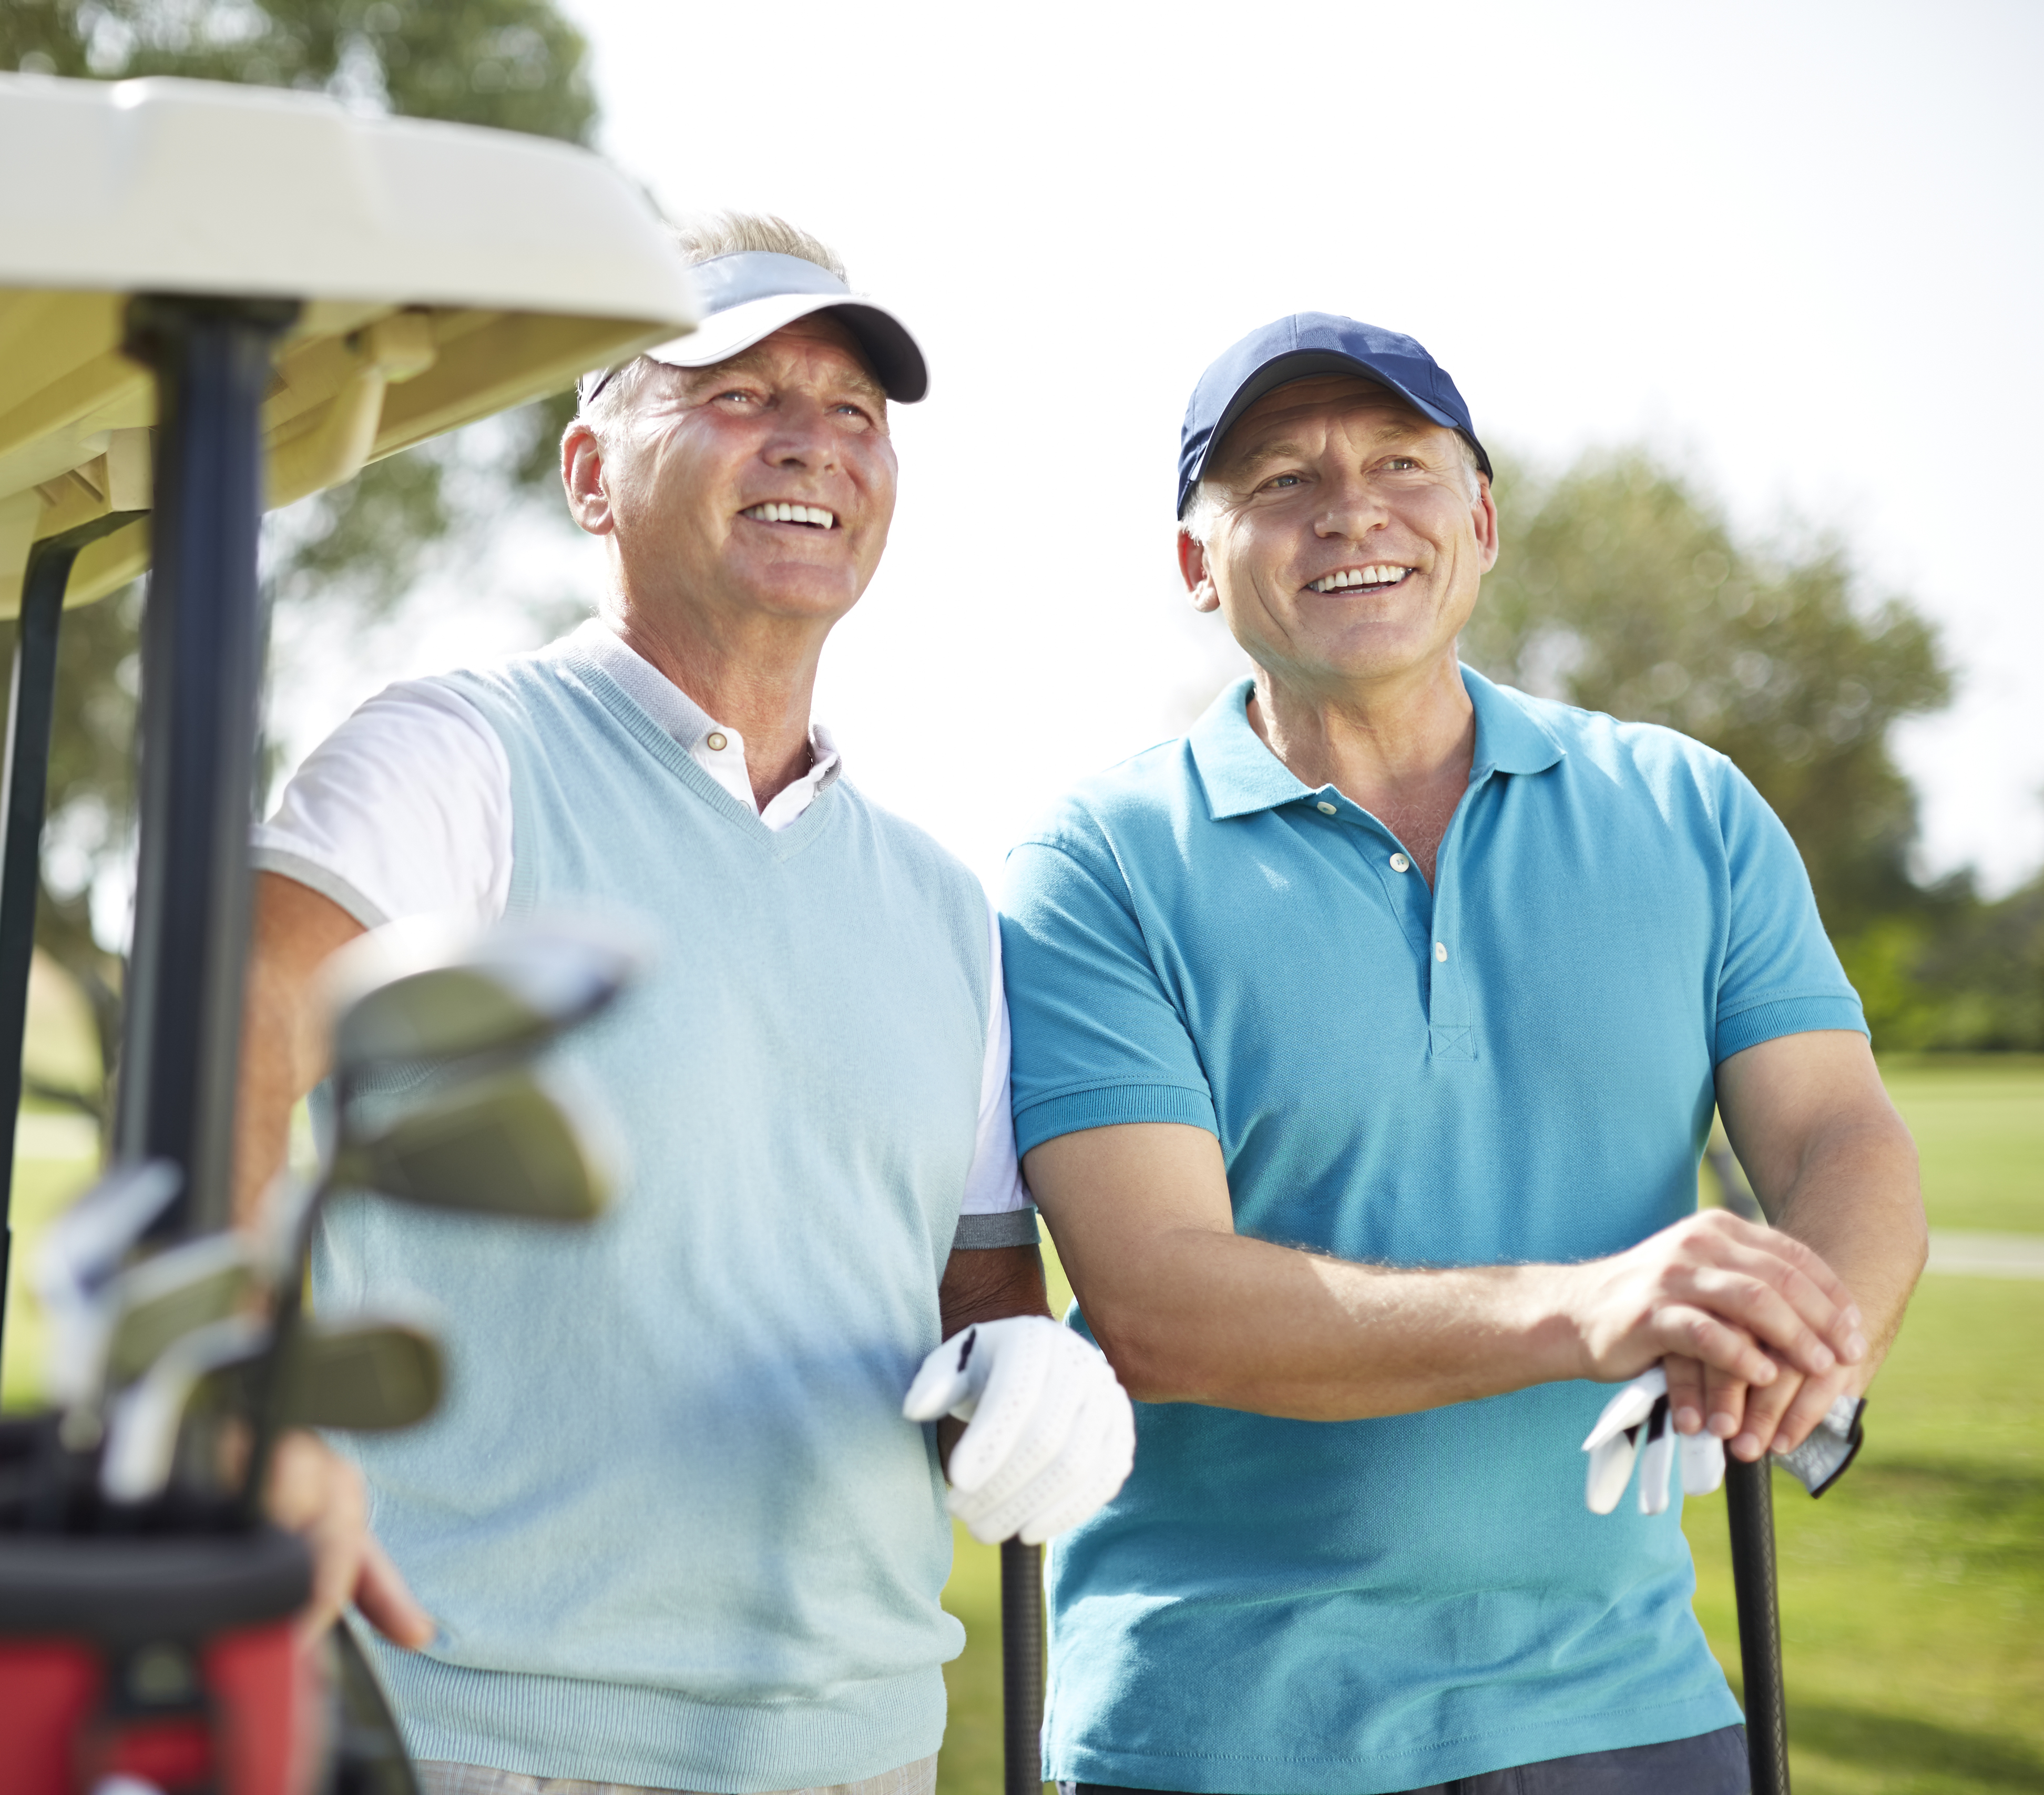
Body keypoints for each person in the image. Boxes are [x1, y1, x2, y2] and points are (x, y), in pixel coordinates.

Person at [237, 215, 1136, 1795]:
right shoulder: (453, 762)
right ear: (592, 472)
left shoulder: (940, 905)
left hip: (864, 1749)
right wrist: (247, 1406)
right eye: (735, 390)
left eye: (853, 410)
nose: (811, 440)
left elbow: (971, 1295)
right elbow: (214, 1058)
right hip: (483, 1740)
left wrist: (1028, 1375)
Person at [999, 313, 1928, 1795]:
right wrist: (1587, 1311)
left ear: (1478, 523)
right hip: (1222, 1727)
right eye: (1281, 479)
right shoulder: (1093, 865)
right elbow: (1157, 1300)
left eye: (1399, 463)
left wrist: (1805, 1344)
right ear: (1195, 565)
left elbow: (1838, 1136)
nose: (1349, 506)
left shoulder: (1684, 807)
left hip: (1630, 1709)